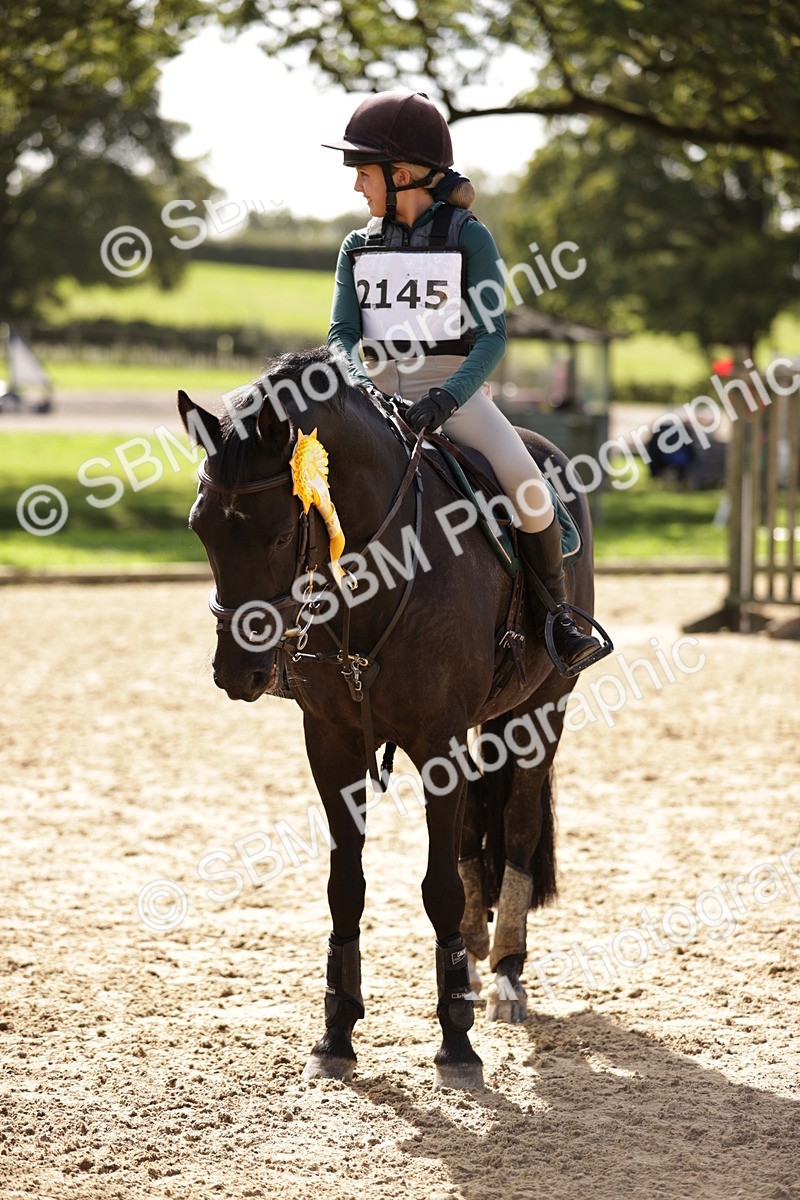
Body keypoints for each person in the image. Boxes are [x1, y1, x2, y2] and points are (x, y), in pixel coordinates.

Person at [323, 89, 602, 673]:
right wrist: (364, 388)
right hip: (377, 395)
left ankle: (557, 617)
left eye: (364, 174)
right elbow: (341, 333)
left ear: (401, 175)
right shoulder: (358, 246)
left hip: (454, 391)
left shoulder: (468, 237)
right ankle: (301, 631)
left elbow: (492, 336)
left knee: (530, 489)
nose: (357, 187)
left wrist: (445, 398)